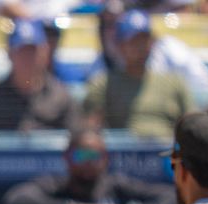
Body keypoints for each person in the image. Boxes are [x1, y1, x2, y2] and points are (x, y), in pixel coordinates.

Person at [2, 127, 177, 204]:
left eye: (95, 156)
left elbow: (173, 198)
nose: (88, 163)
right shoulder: (57, 186)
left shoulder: (115, 184)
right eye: (81, 155)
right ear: (67, 158)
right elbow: (17, 198)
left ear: (106, 159)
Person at [84, 10, 195, 141]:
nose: (140, 46)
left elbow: (192, 123)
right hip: (123, 156)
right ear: (120, 46)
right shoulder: (104, 84)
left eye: (144, 40)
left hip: (168, 155)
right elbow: (90, 126)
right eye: (133, 41)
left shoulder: (174, 82)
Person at [0, 18, 79, 134]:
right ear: (9, 53)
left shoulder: (61, 97)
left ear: (45, 53)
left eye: (32, 51)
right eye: (21, 51)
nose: (28, 58)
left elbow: (74, 143)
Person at [89, 0, 208, 93]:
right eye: (107, 25)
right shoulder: (99, 64)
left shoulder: (172, 51)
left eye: (118, 23)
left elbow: (206, 91)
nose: (112, 32)